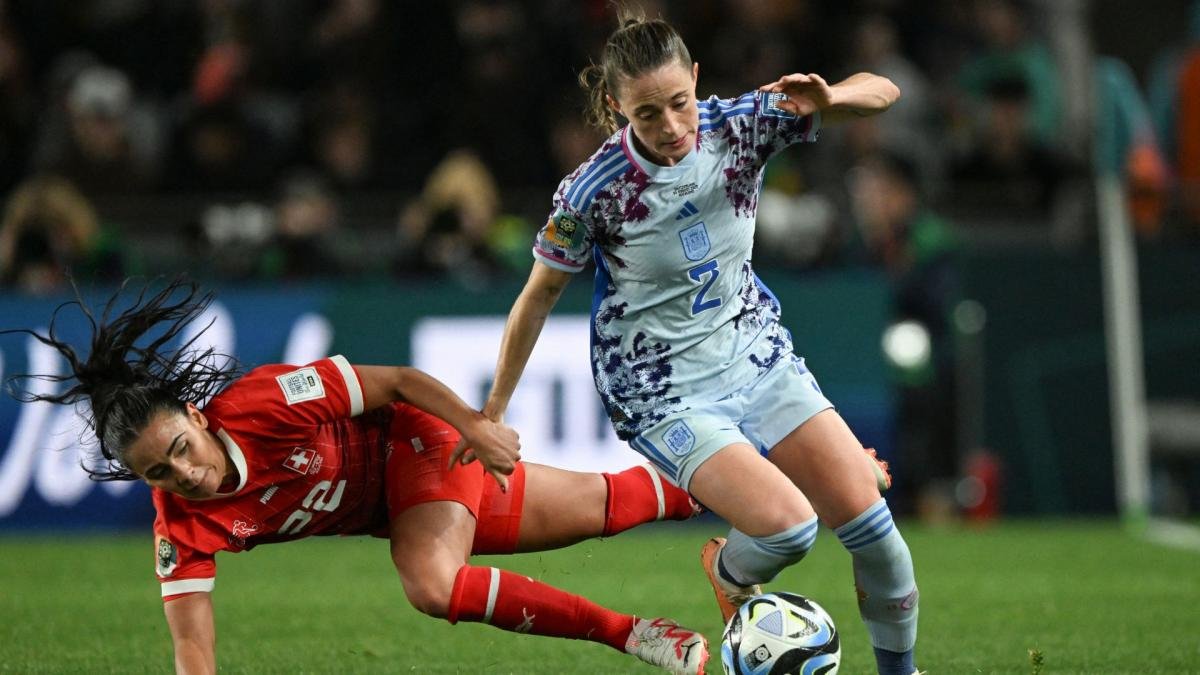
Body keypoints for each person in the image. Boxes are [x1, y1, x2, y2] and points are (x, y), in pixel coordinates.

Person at [472, 12, 919, 675]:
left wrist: (832, 97)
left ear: (697, 80)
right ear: (616, 107)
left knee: (877, 532)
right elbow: (536, 296)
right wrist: (494, 409)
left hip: (754, 353)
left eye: (680, 102)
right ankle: (727, 568)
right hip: (662, 389)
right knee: (791, 528)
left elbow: (885, 90)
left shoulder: (740, 124)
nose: (672, 126)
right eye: (647, 113)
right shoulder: (594, 190)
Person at [5, 278, 709, 675]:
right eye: (158, 473)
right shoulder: (180, 526)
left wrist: (475, 425)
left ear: (195, 414)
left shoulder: (263, 402)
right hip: (399, 508)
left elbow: (398, 381)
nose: (183, 473)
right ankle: (742, 492)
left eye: (181, 448)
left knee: (432, 583)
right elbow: (192, 644)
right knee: (613, 503)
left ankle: (636, 634)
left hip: (418, 441)